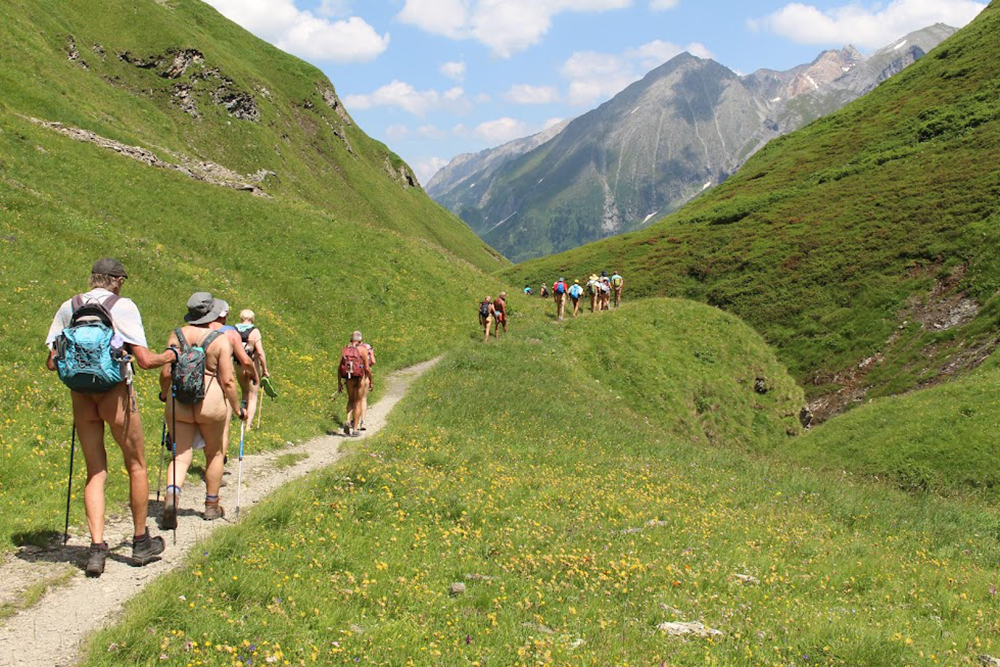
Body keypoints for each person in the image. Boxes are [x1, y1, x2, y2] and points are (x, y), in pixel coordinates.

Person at [45, 258, 176, 576]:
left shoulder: (70, 305)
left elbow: (52, 362)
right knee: (136, 464)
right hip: (115, 393)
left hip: (80, 396)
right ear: (116, 280)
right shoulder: (123, 306)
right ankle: (140, 542)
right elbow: (144, 360)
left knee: (95, 470)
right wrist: (171, 356)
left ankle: (95, 549)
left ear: (93, 279)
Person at [160, 294, 247, 527]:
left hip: (179, 402)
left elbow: (166, 373)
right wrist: (238, 409)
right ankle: (211, 505)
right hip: (210, 403)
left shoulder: (177, 335)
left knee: (180, 455)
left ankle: (172, 496)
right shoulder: (219, 340)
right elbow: (228, 380)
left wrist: (163, 393)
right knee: (215, 453)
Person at [234, 309, 269, 429]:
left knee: (244, 393)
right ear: (252, 318)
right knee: (253, 395)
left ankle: (242, 420)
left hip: (238, 365)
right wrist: (265, 370)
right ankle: (248, 426)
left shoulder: (234, 330)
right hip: (252, 365)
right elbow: (259, 352)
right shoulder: (255, 332)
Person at [337, 331, 372, 437]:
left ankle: (348, 420)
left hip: (349, 378)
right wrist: (371, 379)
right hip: (360, 378)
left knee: (350, 400)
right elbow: (367, 368)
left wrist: (339, 383)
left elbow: (339, 367)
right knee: (357, 402)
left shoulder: (345, 350)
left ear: (350, 339)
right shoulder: (363, 350)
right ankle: (355, 429)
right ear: (360, 340)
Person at [351, 331, 375, 431]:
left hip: (351, 375)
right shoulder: (367, 347)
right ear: (361, 339)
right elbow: (373, 361)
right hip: (363, 374)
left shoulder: (348, 348)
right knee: (363, 398)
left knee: (353, 399)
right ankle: (362, 422)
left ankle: (353, 420)